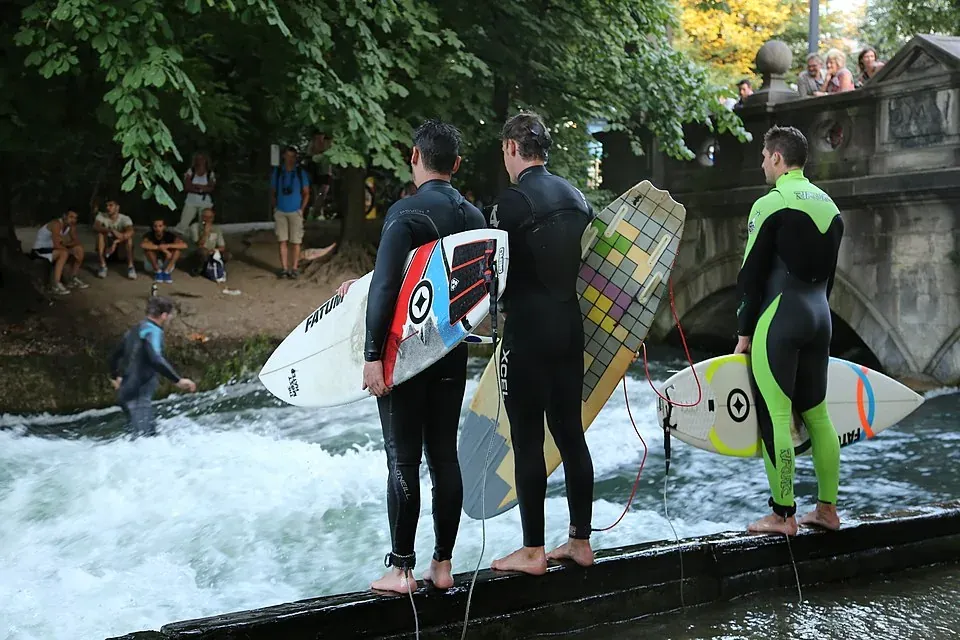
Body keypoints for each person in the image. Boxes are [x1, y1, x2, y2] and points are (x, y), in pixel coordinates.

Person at [336, 120, 485, 595]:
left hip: (404, 354)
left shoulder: (405, 212)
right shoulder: (476, 218)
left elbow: (387, 286)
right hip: (450, 351)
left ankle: (401, 570)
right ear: (456, 165)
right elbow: (452, 285)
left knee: (402, 459)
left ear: (414, 157)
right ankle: (442, 566)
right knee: (444, 455)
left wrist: (372, 355)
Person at [486, 111, 596, 576]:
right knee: (570, 432)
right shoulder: (577, 198)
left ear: (512, 148)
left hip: (527, 331)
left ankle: (532, 551)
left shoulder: (510, 203)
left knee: (527, 439)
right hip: (571, 327)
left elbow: (490, 277)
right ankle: (580, 542)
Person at [734, 125, 844, 535]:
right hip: (820, 318)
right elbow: (829, 277)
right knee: (818, 414)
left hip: (780, 318)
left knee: (776, 416)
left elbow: (750, 276)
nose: (763, 162)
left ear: (777, 158)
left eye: (765, 156)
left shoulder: (771, 203)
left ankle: (784, 515)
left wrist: (745, 332)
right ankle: (827, 510)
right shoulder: (831, 207)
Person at [109, 296, 197, 437]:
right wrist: (178, 380)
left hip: (126, 391)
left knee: (141, 437)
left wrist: (115, 376)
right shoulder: (153, 331)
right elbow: (155, 359)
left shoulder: (134, 330)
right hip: (138, 394)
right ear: (163, 315)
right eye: (169, 316)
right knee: (144, 440)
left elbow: (114, 355)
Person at [270, 146, 311, 279]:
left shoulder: (300, 173)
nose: (290, 159)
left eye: (293, 157)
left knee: (296, 241)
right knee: (282, 240)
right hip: (281, 211)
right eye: (288, 156)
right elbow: (273, 192)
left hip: (295, 212)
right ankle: (284, 269)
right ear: (284, 157)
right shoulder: (277, 172)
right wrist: (275, 207)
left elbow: (306, 193)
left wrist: (301, 210)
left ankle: (294, 268)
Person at [30, 207, 88, 295]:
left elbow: (76, 241)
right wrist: (68, 249)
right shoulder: (56, 224)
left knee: (79, 249)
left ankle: (73, 278)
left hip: (52, 248)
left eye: (75, 218)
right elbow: (57, 244)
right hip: (40, 250)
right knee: (64, 253)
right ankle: (56, 284)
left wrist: (68, 245)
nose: (73, 220)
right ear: (64, 216)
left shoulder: (70, 226)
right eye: (71, 217)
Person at [94, 197, 137, 280]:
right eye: (107, 206)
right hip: (106, 250)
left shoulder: (125, 218)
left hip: (120, 251)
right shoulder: (101, 216)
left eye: (111, 205)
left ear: (117, 207)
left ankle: (131, 267)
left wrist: (116, 242)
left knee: (129, 239)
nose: (108, 208)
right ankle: (102, 265)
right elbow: (96, 226)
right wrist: (112, 230)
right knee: (100, 235)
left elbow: (130, 232)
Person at [175, 152, 216, 234]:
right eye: (198, 159)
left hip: (205, 201)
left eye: (202, 159)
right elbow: (187, 186)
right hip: (191, 199)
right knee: (184, 221)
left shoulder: (209, 173)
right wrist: (202, 188)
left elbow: (211, 188)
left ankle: (203, 239)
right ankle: (180, 239)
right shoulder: (191, 171)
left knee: (204, 221)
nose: (200, 161)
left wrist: (197, 186)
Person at [141, 218, 187, 283]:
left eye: (160, 226)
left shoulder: (169, 235)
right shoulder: (149, 235)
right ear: (153, 227)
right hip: (152, 264)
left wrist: (168, 245)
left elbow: (184, 245)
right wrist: (162, 249)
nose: (158, 228)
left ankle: (167, 272)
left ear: (164, 226)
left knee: (178, 250)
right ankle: (158, 271)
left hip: (167, 263)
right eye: (155, 226)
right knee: (148, 250)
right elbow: (143, 245)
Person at [189, 207, 229, 281]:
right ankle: (198, 269)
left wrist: (215, 250)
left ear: (213, 218)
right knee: (203, 252)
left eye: (210, 217)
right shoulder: (195, 226)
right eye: (205, 217)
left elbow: (222, 246)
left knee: (227, 255)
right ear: (201, 217)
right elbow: (198, 245)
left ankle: (217, 269)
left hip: (211, 252)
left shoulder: (216, 228)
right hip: (197, 252)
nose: (207, 219)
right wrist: (205, 233)